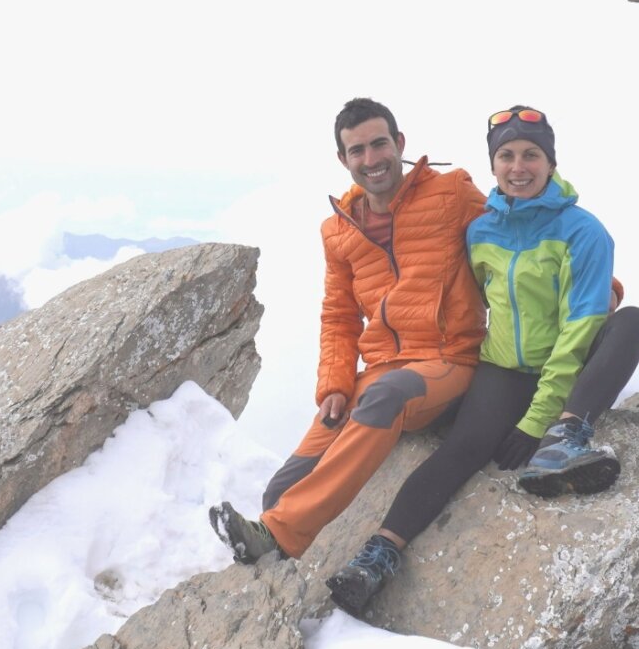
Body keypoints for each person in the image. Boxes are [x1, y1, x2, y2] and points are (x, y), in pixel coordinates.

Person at [326, 104, 639, 615]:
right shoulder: (481, 232)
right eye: (506, 156)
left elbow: (581, 326)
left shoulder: (583, 230)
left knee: (631, 321)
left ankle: (567, 438)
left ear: (550, 162)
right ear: (493, 165)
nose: (518, 167)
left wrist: (539, 420)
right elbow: (465, 298)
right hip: (503, 365)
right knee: (464, 448)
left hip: (569, 361)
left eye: (531, 155)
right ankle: (379, 555)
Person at [208, 97, 489, 566]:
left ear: (399, 144)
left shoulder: (451, 193)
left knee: (388, 394)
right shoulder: (338, 230)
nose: (371, 159)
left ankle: (278, 536)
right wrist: (335, 385)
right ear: (343, 160)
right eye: (357, 150)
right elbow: (338, 315)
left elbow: (515, 240)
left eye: (379, 144)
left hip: (447, 360)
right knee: (282, 490)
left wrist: (598, 285)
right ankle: (277, 560)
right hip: (377, 371)